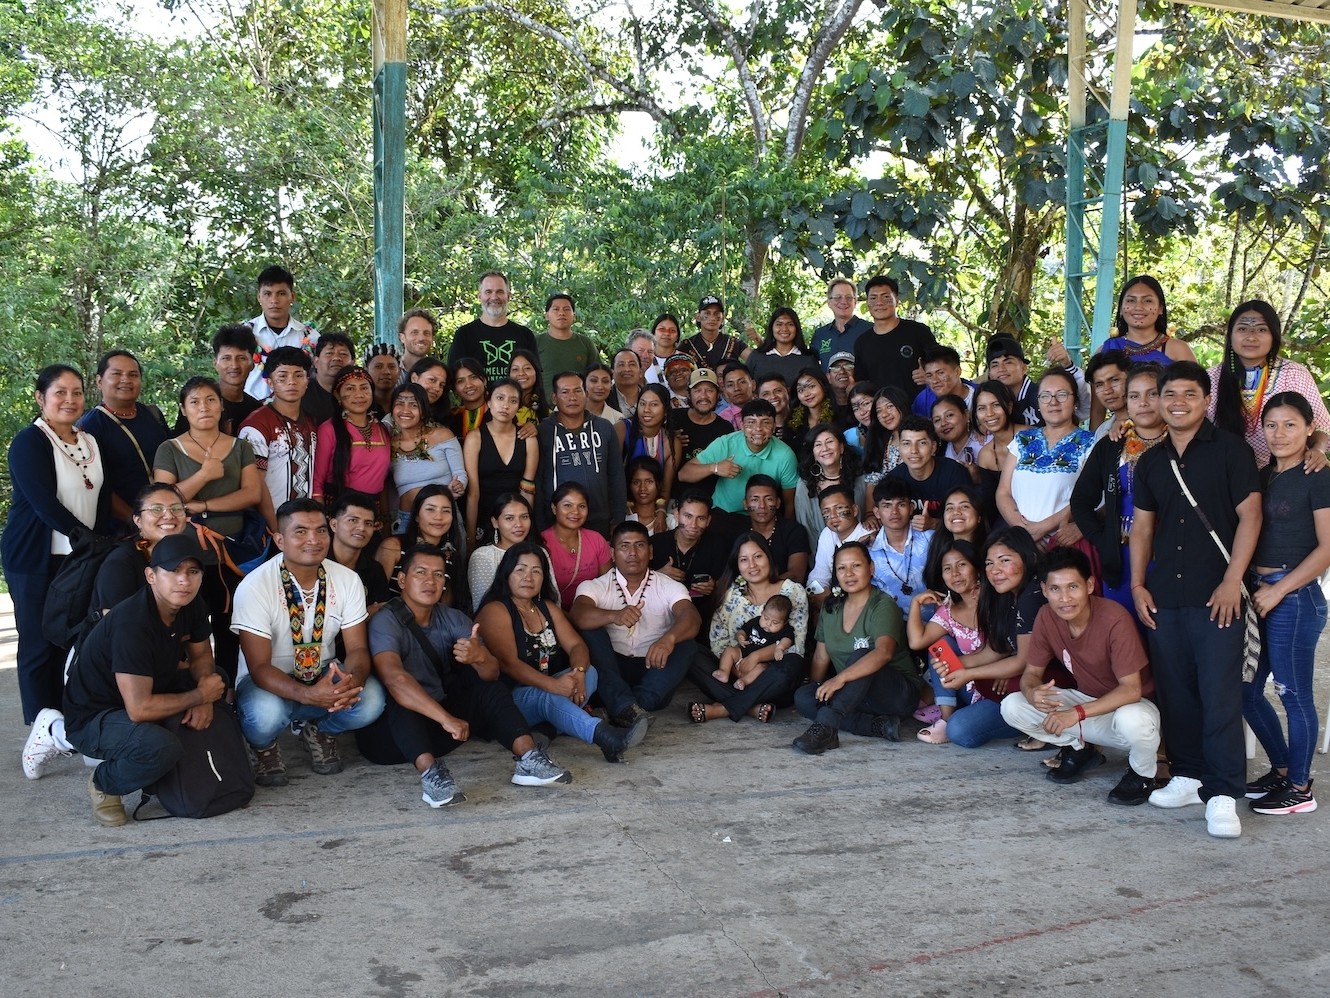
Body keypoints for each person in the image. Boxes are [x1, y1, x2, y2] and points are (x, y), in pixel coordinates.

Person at [1131, 362, 1262, 838]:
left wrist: (1232, 580)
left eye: (1190, 394)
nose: (1178, 402)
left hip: (1218, 593)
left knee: (1220, 693)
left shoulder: (1230, 449)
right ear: (1158, 401)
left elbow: (1251, 516)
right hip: (1166, 593)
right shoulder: (1150, 462)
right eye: (1170, 394)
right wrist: (1139, 585)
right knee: (1176, 690)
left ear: (1206, 400)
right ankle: (1187, 775)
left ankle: (1224, 792)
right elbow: (1143, 528)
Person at [358, 543, 570, 807]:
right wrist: (446, 719)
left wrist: (479, 657)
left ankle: (528, 758)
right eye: (421, 572)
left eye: (438, 575)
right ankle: (431, 775)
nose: (430, 581)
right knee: (401, 695)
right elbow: (394, 679)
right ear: (401, 580)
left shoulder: (453, 618)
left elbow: (492, 674)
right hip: (390, 741)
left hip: (442, 731)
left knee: (485, 684)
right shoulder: (386, 621)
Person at [57, 534, 226, 825]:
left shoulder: (191, 603)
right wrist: (201, 695)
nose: (184, 580)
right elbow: (139, 709)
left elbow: (200, 656)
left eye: (193, 571)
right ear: (151, 576)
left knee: (217, 677)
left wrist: (204, 692)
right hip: (95, 717)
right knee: (159, 747)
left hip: (149, 687)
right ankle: (104, 783)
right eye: (173, 570)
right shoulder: (132, 622)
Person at [231, 499, 387, 787]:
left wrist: (349, 683)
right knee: (264, 715)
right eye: (300, 531)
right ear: (279, 540)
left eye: (321, 530)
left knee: (371, 700)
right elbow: (259, 667)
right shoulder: (255, 586)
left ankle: (321, 730)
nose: (314, 540)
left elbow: (357, 649)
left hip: (323, 674)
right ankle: (263, 747)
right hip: (268, 683)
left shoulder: (348, 580)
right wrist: (308, 695)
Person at [1000, 547, 1162, 804]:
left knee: (1133, 720)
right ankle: (1082, 748)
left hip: (1131, 708)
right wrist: (1032, 692)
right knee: (1013, 705)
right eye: (1055, 589)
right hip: (1088, 703)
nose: (1064, 598)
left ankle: (1142, 773)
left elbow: (1131, 689)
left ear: (1089, 585)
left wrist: (1074, 714)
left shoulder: (1114, 618)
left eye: (1073, 587)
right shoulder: (1046, 615)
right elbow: (1031, 674)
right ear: (1044, 590)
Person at [4, 365, 113, 729]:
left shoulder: (90, 442)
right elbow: (43, 503)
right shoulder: (29, 442)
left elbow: (102, 497)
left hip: (80, 558)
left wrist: (103, 542)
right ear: (41, 398)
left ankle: (67, 720)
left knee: (70, 640)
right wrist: (87, 539)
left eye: (76, 392)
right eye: (60, 392)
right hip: (35, 558)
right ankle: (41, 725)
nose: (70, 400)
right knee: (38, 642)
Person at [476, 542, 649, 763]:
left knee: (591, 673)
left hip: (548, 688)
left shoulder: (545, 607)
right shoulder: (496, 610)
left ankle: (547, 729)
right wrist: (554, 686)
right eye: (520, 570)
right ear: (506, 574)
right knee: (548, 697)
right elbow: (509, 663)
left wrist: (578, 673)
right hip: (509, 701)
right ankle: (607, 738)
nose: (528, 577)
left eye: (536, 571)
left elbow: (577, 646)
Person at [1242, 392, 1330, 815]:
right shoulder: (1262, 475)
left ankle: (1300, 788)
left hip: (1294, 597)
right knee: (1245, 690)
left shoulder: (1319, 474)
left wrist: (1279, 590)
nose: (1279, 434)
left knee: (1293, 694)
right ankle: (1282, 770)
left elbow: (1327, 548)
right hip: (1259, 594)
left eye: (1290, 425)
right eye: (1271, 425)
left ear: (1310, 428)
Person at [154, 376, 261, 679]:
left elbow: (251, 494)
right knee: (184, 627)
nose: (204, 407)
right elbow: (164, 499)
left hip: (232, 555)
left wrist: (202, 505)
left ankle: (227, 689)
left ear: (221, 405)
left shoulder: (240, 447)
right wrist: (204, 475)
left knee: (230, 627)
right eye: (195, 401)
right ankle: (188, 688)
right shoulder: (169, 448)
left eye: (211, 400)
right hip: (184, 557)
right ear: (183, 409)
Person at [792, 542, 922, 753]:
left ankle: (826, 726)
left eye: (856, 566)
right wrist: (819, 689)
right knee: (804, 697)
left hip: (895, 695)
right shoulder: (831, 607)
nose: (849, 574)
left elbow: (883, 653)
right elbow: (821, 657)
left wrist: (839, 679)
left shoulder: (883, 605)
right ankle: (877, 726)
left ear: (871, 568)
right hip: (854, 696)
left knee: (862, 655)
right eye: (841, 568)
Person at [929, 527, 1049, 751]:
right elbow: (998, 649)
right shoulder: (1007, 595)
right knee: (944, 653)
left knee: (959, 730)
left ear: (1029, 558)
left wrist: (968, 673)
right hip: (1017, 682)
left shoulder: (1032, 596)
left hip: (1046, 684)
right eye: (989, 563)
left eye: (1004, 561)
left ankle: (1033, 724)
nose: (995, 571)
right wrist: (956, 665)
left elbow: (1022, 661)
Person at [571, 520, 701, 725]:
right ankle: (627, 707)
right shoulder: (594, 586)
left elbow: (691, 616)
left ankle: (620, 707)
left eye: (639, 545)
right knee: (590, 631)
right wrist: (613, 616)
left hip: (652, 668)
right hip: (611, 670)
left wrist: (669, 639)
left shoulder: (669, 586)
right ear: (613, 553)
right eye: (624, 546)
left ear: (650, 552)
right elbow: (578, 615)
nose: (632, 553)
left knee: (686, 643)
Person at [1071, 364, 1167, 612]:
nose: (1143, 403)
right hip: (1119, 558)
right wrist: (1102, 539)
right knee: (1123, 627)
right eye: (1134, 396)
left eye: (1153, 394)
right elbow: (1081, 501)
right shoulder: (1111, 445)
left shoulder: (1180, 445)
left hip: (1170, 559)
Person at [1210, 299, 1330, 466]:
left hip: (1285, 471)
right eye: (1243, 329)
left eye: (1261, 329)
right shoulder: (1211, 378)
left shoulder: (1294, 374)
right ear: (1230, 335)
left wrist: (1318, 449)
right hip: (1227, 472)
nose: (1251, 337)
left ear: (1274, 336)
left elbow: (1323, 426)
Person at [996, 369, 1095, 549]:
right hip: (1021, 546)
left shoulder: (1091, 443)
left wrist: (1042, 528)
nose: (1053, 402)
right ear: (1039, 404)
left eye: (1062, 394)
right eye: (1045, 396)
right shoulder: (1023, 439)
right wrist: (1025, 534)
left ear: (1075, 402)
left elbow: (1092, 497)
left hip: (1064, 543)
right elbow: (1003, 492)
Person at [905, 539, 986, 746]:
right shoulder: (949, 610)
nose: (955, 573)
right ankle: (946, 719)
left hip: (996, 686)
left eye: (962, 565)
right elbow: (917, 642)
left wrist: (959, 664)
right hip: (967, 687)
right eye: (947, 568)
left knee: (963, 731)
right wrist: (915, 603)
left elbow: (1002, 650)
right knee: (941, 644)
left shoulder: (992, 600)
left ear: (977, 567)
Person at [77, 349, 171, 525]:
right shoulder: (89, 426)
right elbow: (95, 485)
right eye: (117, 374)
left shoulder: (152, 414)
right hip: (123, 526)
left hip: (166, 516)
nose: (126, 380)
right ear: (99, 381)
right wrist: (136, 521)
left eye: (133, 375)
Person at [677, 399, 799, 527]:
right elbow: (683, 474)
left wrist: (786, 529)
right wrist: (715, 467)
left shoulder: (785, 455)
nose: (758, 429)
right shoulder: (726, 443)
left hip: (764, 516)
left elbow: (789, 502)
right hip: (724, 513)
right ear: (742, 426)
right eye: (751, 423)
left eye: (766, 423)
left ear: (774, 426)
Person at [1092, 275, 1195, 422]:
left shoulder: (1178, 350)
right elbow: (1097, 410)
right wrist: (1098, 436)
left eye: (1147, 301)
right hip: (1120, 430)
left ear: (1160, 308)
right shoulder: (1106, 350)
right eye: (1131, 300)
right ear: (1121, 309)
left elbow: (1195, 398)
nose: (1138, 307)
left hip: (1170, 429)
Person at [537, 370, 626, 538]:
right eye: (565, 392)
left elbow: (616, 475)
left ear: (586, 394)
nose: (572, 397)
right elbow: (539, 480)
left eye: (578, 391)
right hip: (555, 522)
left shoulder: (605, 428)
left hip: (600, 520)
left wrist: (618, 518)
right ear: (554, 398)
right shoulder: (543, 432)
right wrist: (541, 525)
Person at [237, 346, 317, 533]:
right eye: (282, 377)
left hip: (305, 526)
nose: (292, 382)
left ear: (307, 381)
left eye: (299, 375)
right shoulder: (256, 425)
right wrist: (275, 529)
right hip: (269, 527)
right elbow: (256, 484)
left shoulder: (311, 422)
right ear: (270, 382)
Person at [87, 482, 190, 617]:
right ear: (138, 520)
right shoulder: (121, 561)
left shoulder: (184, 555)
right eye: (157, 509)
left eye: (176, 508)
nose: (169, 516)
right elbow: (117, 624)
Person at [464, 378, 538, 546]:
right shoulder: (475, 438)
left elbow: (527, 490)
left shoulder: (528, 438)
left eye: (513, 401)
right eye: (500, 398)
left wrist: (527, 530)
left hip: (516, 521)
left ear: (519, 407)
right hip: (484, 517)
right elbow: (473, 493)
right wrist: (470, 537)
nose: (505, 405)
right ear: (489, 402)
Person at [387, 382, 466, 534]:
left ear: (423, 411)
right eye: (399, 404)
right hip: (406, 520)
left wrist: (458, 485)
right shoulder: (388, 444)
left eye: (413, 405)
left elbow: (460, 473)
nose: (405, 410)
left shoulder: (443, 435)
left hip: (442, 519)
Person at [376, 486, 469, 609]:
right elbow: (376, 600)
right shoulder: (393, 547)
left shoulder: (450, 555)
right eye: (430, 509)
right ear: (417, 516)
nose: (439, 517)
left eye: (446, 511)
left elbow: (445, 607)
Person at [312, 366, 392, 508]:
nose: (359, 395)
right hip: (339, 510)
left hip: (372, 511)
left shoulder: (382, 430)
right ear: (337, 395)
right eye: (350, 389)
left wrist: (385, 516)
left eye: (364, 388)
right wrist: (321, 516)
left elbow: (383, 482)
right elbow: (317, 481)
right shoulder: (329, 429)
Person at [852, 275, 937, 399]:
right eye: (873, 298)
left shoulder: (918, 331)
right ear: (867, 303)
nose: (879, 303)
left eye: (886, 297)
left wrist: (929, 375)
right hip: (883, 409)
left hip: (920, 405)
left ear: (897, 300)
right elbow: (862, 382)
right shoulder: (862, 342)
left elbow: (941, 365)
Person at [447, 271, 538, 384]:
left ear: (508, 296)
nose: (494, 297)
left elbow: (535, 377)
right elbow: (454, 377)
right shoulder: (464, 334)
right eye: (488, 292)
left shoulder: (525, 335)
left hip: (516, 396)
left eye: (500, 292)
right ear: (479, 296)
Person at [650, 491, 726, 623]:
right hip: (658, 614)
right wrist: (658, 575)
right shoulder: (655, 543)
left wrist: (714, 586)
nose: (693, 525)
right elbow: (635, 582)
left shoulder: (717, 546)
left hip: (701, 617)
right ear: (676, 514)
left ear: (708, 521)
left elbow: (725, 583)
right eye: (688, 516)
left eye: (700, 518)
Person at [243, 264, 317, 399]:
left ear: (292, 297)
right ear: (259, 297)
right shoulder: (243, 334)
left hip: (298, 408)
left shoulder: (310, 336)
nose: (274, 300)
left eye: (281, 294)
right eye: (267, 294)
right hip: (251, 407)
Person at [888, 415, 972, 532]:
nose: (914, 450)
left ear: (933, 447)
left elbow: (970, 519)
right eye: (906, 443)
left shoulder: (954, 473)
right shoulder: (894, 478)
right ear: (900, 448)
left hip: (949, 537)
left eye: (922, 443)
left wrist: (933, 523)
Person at [541, 482, 613, 609]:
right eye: (567, 505)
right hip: (554, 612)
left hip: (591, 611)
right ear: (554, 508)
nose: (575, 512)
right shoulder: (541, 543)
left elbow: (607, 585)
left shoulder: (596, 540)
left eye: (582, 506)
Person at [794, 424, 865, 549]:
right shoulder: (805, 485)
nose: (825, 448)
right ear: (813, 453)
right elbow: (807, 529)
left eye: (829, 442)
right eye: (818, 445)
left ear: (841, 447)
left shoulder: (860, 479)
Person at [867, 478, 933, 612]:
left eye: (901, 504)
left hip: (937, 620)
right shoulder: (869, 551)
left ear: (911, 508)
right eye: (887, 506)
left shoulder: (930, 539)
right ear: (877, 512)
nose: (894, 512)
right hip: (892, 622)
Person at [710, 593, 795, 691]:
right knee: (729, 650)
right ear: (762, 611)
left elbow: (787, 639)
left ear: (785, 622)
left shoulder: (785, 630)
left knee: (762, 668)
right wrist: (740, 637)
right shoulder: (756, 621)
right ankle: (724, 672)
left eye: (775, 622)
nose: (768, 624)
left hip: (760, 663)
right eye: (766, 618)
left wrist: (780, 648)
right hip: (742, 654)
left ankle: (743, 681)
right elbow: (743, 630)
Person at [327, 491, 393, 617]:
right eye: (353, 520)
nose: (361, 528)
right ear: (334, 525)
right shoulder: (315, 563)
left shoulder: (374, 570)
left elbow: (380, 613)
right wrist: (365, 613)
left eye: (368, 523)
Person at [670, 369, 732, 501]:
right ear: (688, 394)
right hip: (674, 498)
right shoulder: (674, 419)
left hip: (711, 501)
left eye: (710, 390)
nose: (704, 396)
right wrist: (669, 438)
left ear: (718, 395)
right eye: (697, 390)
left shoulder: (725, 428)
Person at [971, 379, 1026, 526]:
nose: (989, 413)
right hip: (1008, 523)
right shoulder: (985, 456)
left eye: (996, 405)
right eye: (981, 408)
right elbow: (991, 507)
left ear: (1009, 407)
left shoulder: (1030, 437)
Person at [805, 484, 874, 600]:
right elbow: (819, 575)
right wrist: (815, 596)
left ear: (855, 510)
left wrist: (830, 599)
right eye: (826, 512)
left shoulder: (869, 537)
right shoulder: (827, 533)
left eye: (839, 508)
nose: (833, 516)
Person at [738, 475, 811, 583]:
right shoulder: (738, 532)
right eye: (755, 499)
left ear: (778, 503)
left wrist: (764, 587)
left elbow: (796, 574)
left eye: (768, 499)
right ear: (745, 504)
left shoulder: (794, 531)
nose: (762, 505)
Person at [468, 493, 534, 612]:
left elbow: (553, 598)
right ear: (495, 522)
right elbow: (483, 608)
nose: (519, 524)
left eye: (524, 517)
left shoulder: (539, 552)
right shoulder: (483, 556)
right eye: (509, 518)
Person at [618, 384, 678, 514]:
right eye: (642, 404)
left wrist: (661, 512)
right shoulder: (622, 430)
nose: (646, 409)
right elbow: (612, 477)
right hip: (622, 506)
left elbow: (665, 490)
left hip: (654, 509)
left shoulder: (672, 443)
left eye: (654, 404)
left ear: (666, 411)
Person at [921, 485, 990, 595]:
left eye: (964, 506)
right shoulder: (937, 548)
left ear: (979, 517)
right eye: (950, 508)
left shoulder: (991, 551)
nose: (956, 512)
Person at [535, 294, 598, 397]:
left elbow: (596, 375)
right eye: (556, 309)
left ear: (574, 315)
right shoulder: (535, 342)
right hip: (542, 405)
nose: (561, 313)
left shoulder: (585, 343)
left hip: (578, 404)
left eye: (567, 309)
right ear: (546, 315)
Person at [206, 324, 263, 435]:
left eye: (241, 358)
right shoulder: (201, 405)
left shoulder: (256, 410)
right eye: (226, 358)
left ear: (252, 364)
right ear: (215, 364)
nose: (234, 365)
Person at [861, 386, 911, 509]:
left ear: (902, 405)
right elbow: (873, 481)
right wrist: (869, 514)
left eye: (889, 406)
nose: (884, 414)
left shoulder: (918, 435)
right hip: (886, 508)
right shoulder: (878, 441)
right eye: (879, 411)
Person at [810, 278, 872, 370]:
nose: (843, 302)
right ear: (829, 303)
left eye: (849, 298)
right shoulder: (820, 335)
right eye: (838, 298)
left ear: (855, 302)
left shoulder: (870, 330)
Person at [747, 308, 817, 386]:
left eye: (790, 324)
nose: (784, 329)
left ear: (797, 328)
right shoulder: (756, 356)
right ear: (771, 328)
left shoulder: (808, 359)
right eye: (779, 324)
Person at [681, 294, 750, 369]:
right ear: (698, 317)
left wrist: (758, 341)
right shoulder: (687, 345)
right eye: (707, 313)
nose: (712, 318)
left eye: (716, 314)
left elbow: (756, 361)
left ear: (722, 318)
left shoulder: (732, 343)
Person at [985, 335, 1041, 426]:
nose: (1001, 369)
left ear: (1024, 368)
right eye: (995, 365)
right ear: (989, 374)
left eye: (1008, 362)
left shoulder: (1041, 396)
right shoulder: (988, 400)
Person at [301, 332, 355, 427]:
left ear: (352, 363)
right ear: (316, 361)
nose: (336, 358)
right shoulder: (301, 393)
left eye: (343, 354)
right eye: (329, 353)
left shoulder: (361, 393)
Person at [931, 394, 983, 482]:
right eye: (937, 420)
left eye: (949, 415)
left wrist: (978, 478)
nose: (943, 423)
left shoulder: (985, 440)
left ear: (966, 415)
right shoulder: (941, 454)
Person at [912, 346, 975, 418]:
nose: (935, 381)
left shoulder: (980, 396)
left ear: (958, 371)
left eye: (940, 373)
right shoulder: (922, 401)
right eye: (929, 375)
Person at [787, 368, 840, 449]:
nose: (806, 394)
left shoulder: (839, 416)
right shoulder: (793, 422)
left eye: (811, 386)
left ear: (823, 386)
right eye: (800, 390)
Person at [624, 456, 677, 536]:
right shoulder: (623, 518)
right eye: (636, 482)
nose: (642, 488)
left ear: (658, 484)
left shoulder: (671, 523)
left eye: (649, 482)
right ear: (629, 485)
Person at [1086, 349, 1131, 440]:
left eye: (1114, 380)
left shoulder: (1151, 422)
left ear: (1131, 379)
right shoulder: (1101, 431)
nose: (1107, 391)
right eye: (1100, 385)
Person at [395, 308, 438, 386]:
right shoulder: (390, 371)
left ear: (432, 339)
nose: (421, 338)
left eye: (426, 333)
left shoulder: (438, 374)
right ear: (402, 337)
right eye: (414, 332)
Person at [448, 357, 488, 439]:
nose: (468, 385)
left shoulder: (499, 414)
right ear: (455, 389)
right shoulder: (451, 419)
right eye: (460, 381)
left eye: (474, 377)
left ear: (484, 381)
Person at [509, 348, 549, 426]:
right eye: (515, 369)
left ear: (536, 372)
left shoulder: (548, 413)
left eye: (527, 368)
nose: (521, 373)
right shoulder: (501, 409)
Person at [409, 355, 452, 427]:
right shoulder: (397, 413)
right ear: (414, 378)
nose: (437, 388)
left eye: (441, 385)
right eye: (432, 380)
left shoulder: (443, 420)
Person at [364, 342, 401, 419]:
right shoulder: (360, 404)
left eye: (391, 367)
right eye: (378, 366)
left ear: (399, 371)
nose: (386, 372)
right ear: (366, 371)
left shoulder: (406, 403)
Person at [649, 312, 684, 381]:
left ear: (677, 336)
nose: (667, 333)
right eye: (662, 329)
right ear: (653, 333)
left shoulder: (685, 360)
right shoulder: (645, 358)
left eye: (672, 330)